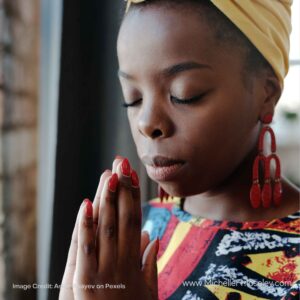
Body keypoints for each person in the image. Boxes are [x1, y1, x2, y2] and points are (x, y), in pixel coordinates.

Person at [59, 0, 300, 299]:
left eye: (185, 94)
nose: (147, 123)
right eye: (132, 98)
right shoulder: (133, 236)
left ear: (267, 93)